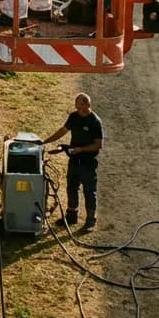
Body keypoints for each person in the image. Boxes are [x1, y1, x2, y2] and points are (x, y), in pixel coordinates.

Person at [42, 92, 103, 228]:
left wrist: (81, 149)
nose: (78, 109)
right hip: (74, 160)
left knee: (89, 190)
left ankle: (90, 219)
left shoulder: (95, 122)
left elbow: (98, 145)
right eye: (77, 106)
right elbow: (62, 131)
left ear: (88, 105)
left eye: (81, 106)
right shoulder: (73, 117)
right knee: (71, 187)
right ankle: (71, 216)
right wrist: (46, 142)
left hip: (88, 162)